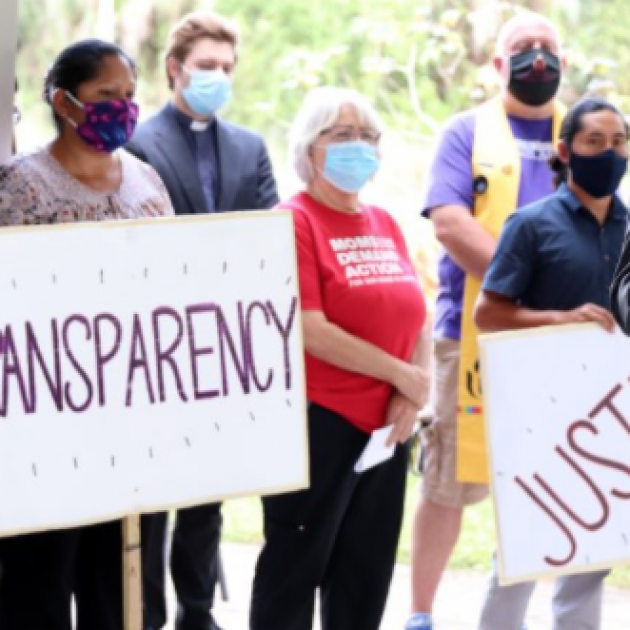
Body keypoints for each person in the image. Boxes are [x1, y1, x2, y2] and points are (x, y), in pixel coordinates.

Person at [0, 39, 173, 630]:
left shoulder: (146, 180)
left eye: (128, 95)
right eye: (105, 95)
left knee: (119, 586)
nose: (122, 107)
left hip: (131, 424)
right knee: (39, 585)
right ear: (63, 103)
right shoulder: (19, 186)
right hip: (46, 428)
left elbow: (174, 287)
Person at [406, 11, 570, 630]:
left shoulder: (581, 132)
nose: (536, 58)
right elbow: (449, 222)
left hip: (562, 338)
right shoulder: (465, 131)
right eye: (522, 48)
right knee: (449, 484)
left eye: (548, 48)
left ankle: (505, 615)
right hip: (471, 334)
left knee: (540, 482)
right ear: (498, 65)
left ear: (564, 62)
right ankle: (421, 613)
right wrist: (521, 289)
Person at [249, 86, 430, 630]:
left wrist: (408, 390)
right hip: (318, 422)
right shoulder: (292, 219)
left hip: (387, 431)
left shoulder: (384, 222)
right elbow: (310, 329)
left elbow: (415, 312)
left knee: (364, 574)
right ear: (310, 148)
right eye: (342, 135)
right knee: (295, 568)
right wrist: (402, 373)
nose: (359, 146)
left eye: (368, 136)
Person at [124, 11, 279, 630]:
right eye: (204, 67)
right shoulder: (137, 142)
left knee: (205, 486)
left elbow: (268, 233)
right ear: (174, 69)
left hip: (222, 341)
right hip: (156, 337)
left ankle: (195, 609)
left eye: (224, 68)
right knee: (153, 488)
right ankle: (149, 613)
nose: (216, 76)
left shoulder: (249, 146)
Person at [474, 95, 627, 629]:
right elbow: (487, 314)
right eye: (594, 142)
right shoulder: (531, 224)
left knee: (593, 553)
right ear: (565, 151)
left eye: (619, 143)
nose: (609, 153)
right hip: (540, 413)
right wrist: (559, 321)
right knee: (522, 548)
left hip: (611, 417)